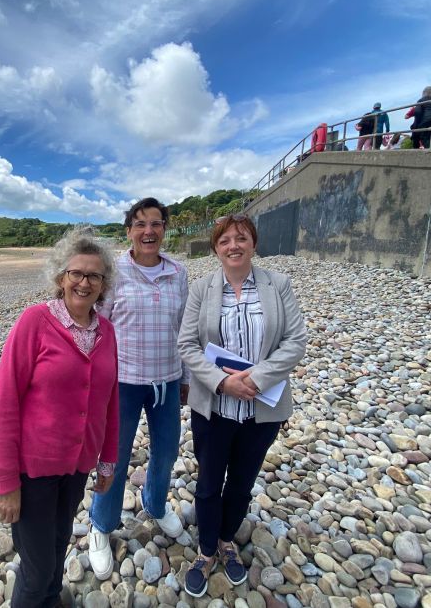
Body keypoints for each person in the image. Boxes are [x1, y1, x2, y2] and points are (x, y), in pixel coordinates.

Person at [0, 226, 120, 608]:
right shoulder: (34, 322)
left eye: (94, 275)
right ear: (61, 277)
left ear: (103, 283)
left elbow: (110, 401)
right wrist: (5, 482)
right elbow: (5, 404)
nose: (84, 282)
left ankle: (51, 600)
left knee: (57, 548)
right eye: (75, 273)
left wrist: (107, 460)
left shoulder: (106, 332)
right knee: (37, 569)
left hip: (76, 467)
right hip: (34, 472)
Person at [177, 214, 307, 597]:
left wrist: (256, 379)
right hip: (214, 408)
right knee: (207, 482)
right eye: (225, 240)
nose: (233, 245)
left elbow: (295, 342)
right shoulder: (202, 289)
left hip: (261, 409)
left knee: (242, 482)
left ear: (254, 243)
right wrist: (222, 382)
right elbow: (187, 345)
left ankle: (227, 540)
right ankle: (204, 551)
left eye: (241, 238)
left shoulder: (278, 284)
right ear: (216, 248)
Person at [88, 197, 189, 580]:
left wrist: (185, 379)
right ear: (128, 230)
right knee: (112, 456)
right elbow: (100, 327)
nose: (149, 231)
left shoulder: (178, 272)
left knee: (165, 453)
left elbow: (184, 328)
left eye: (157, 223)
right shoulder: (114, 272)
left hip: (166, 380)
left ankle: (156, 503)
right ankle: (101, 523)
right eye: (140, 223)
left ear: (165, 229)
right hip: (123, 383)